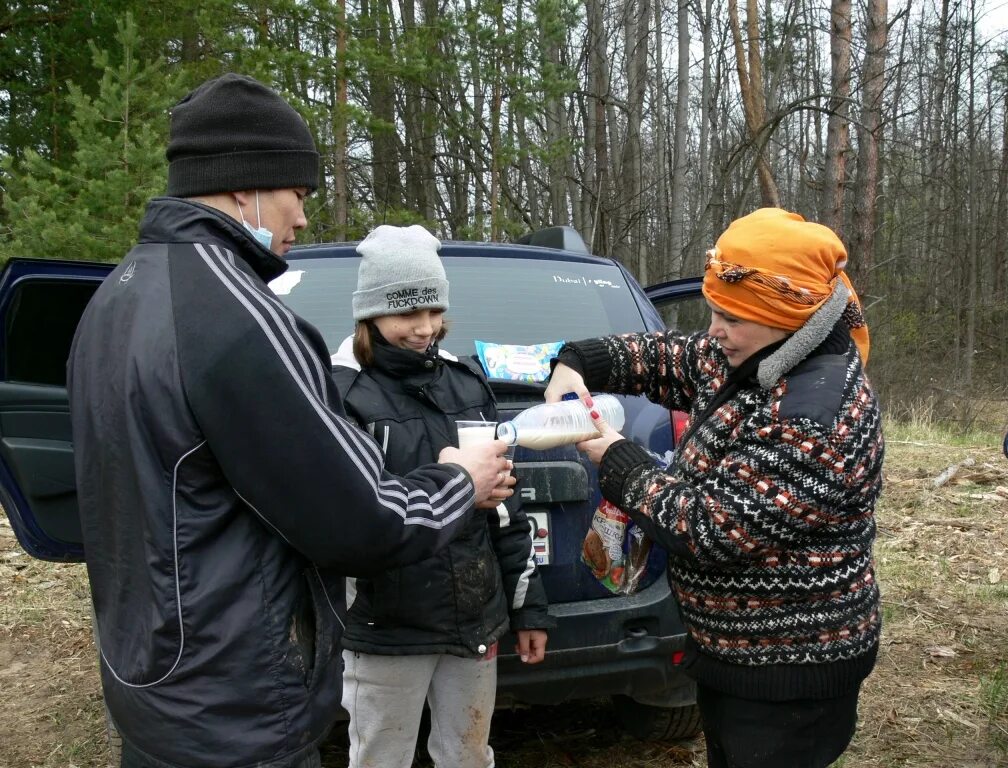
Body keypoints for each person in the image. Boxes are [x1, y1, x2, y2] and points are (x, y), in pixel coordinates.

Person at [67, 73, 511, 768]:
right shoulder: (241, 319)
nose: (302, 220)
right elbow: (359, 523)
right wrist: (459, 480)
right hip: (237, 703)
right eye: (297, 196)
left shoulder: (115, 297)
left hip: (151, 684)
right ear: (244, 186)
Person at [545, 207, 883, 768]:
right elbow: (665, 357)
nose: (715, 330)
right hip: (734, 653)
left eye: (732, 318)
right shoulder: (755, 351)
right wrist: (577, 361)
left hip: (789, 671)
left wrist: (617, 458)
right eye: (714, 312)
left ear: (789, 317)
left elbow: (712, 528)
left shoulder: (816, 414)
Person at [330, 224, 555, 768]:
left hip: (473, 620)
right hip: (386, 628)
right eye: (407, 313)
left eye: (433, 311)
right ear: (371, 314)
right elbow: (348, 517)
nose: (424, 328)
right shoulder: (343, 393)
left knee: (469, 754)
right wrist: (456, 489)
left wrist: (529, 609)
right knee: (381, 758)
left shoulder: (466, 384)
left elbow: (507, 507)